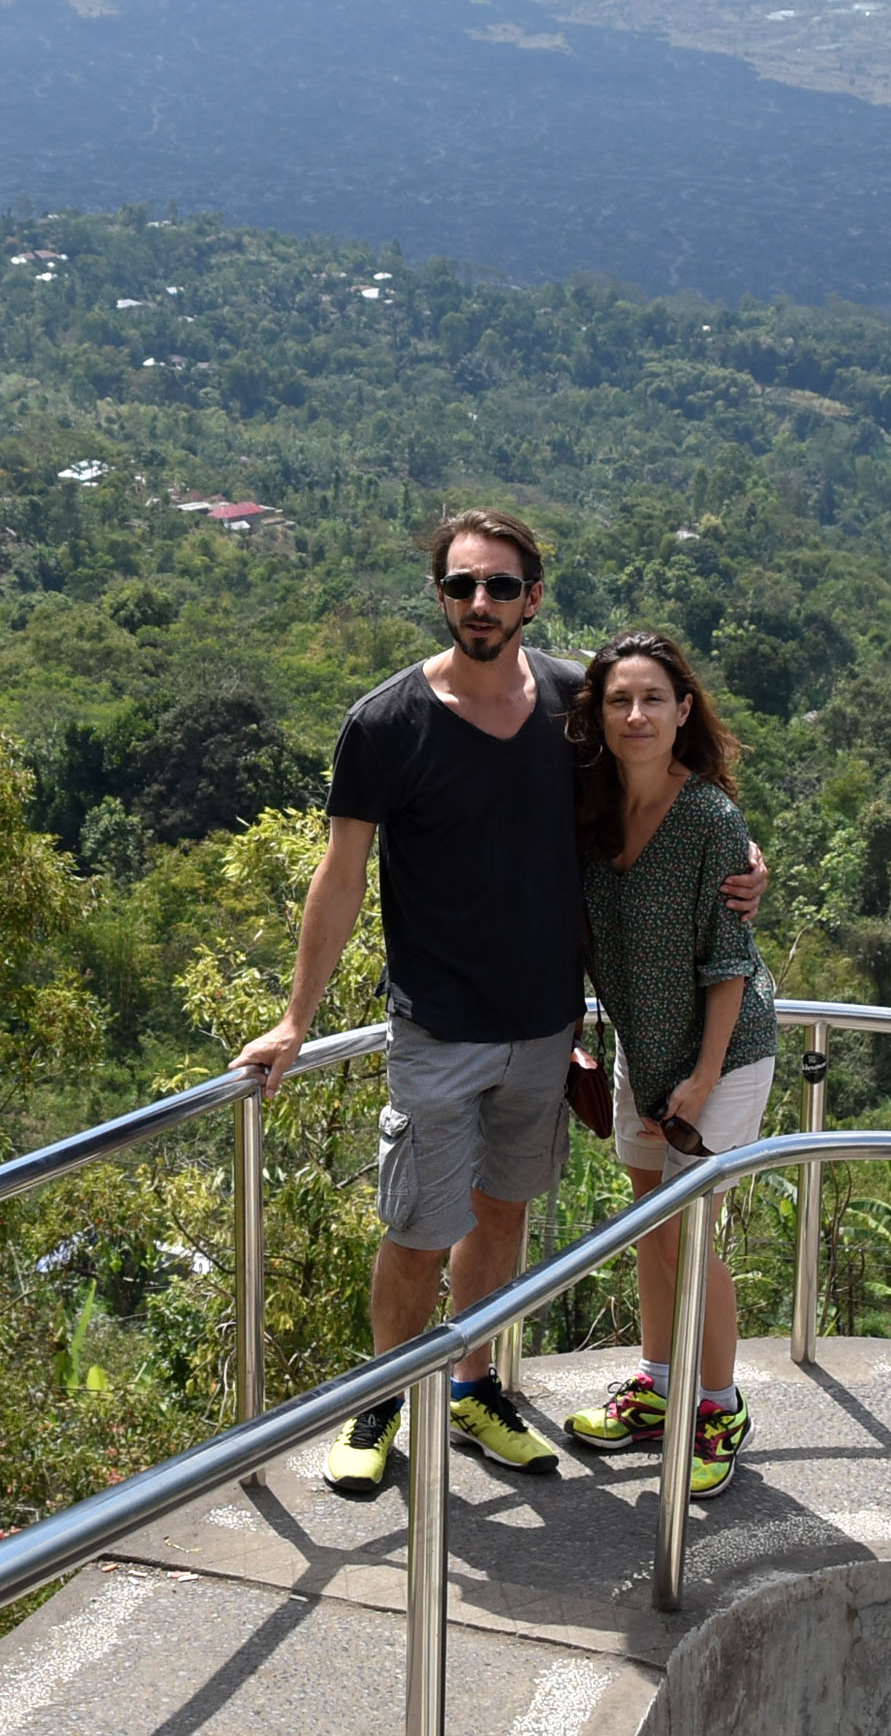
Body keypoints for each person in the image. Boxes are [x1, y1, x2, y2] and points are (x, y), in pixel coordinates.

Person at [231, 512, 759, 1501]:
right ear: (440, 595)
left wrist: (741, 861)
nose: (481, 603)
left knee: (500, 1213)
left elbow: (657, 788)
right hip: (437, 1020)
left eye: (501, 587)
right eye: (463, 585)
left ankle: (473, 1387)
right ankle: (382, 1401)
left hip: (544, 1023)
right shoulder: (386, 723)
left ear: (533, 597)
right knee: (418, 1226)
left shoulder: (571, 703)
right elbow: (339, 876)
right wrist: (295, 1018)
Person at [557, 630, 775, 1499]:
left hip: (720, 1055)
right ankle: (657, 1384)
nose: (637, 715)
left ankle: (717, 1405)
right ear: (599, 717)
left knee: (688, 1231)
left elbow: (730, 965)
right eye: (619, 701)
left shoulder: (711, 819)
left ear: (684, 711)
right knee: (650, 1221)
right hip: (640, 1050)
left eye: (653, 698)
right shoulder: (591, 810)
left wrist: (700, 1079)